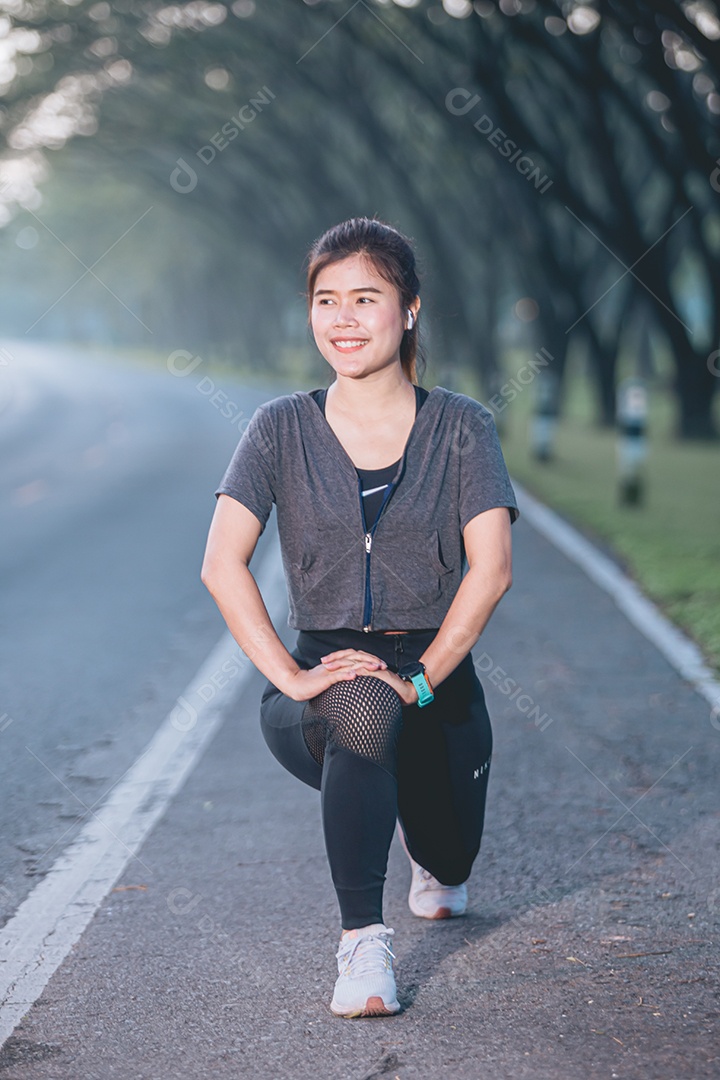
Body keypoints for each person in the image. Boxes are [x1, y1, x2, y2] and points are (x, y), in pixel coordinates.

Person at [201, 217, 519, 1019]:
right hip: (322, 684)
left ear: (409, 309)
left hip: (435, 679)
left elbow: (492, 569)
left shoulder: (462, 428)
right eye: (326, 300)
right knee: (359, 704)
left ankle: (429, 849)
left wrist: (419, 682)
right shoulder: (279, 426)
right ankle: (361, 947)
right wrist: (292, 673)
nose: (342, 318)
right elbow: (220, 563)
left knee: (450, 866)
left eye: (365, 298)